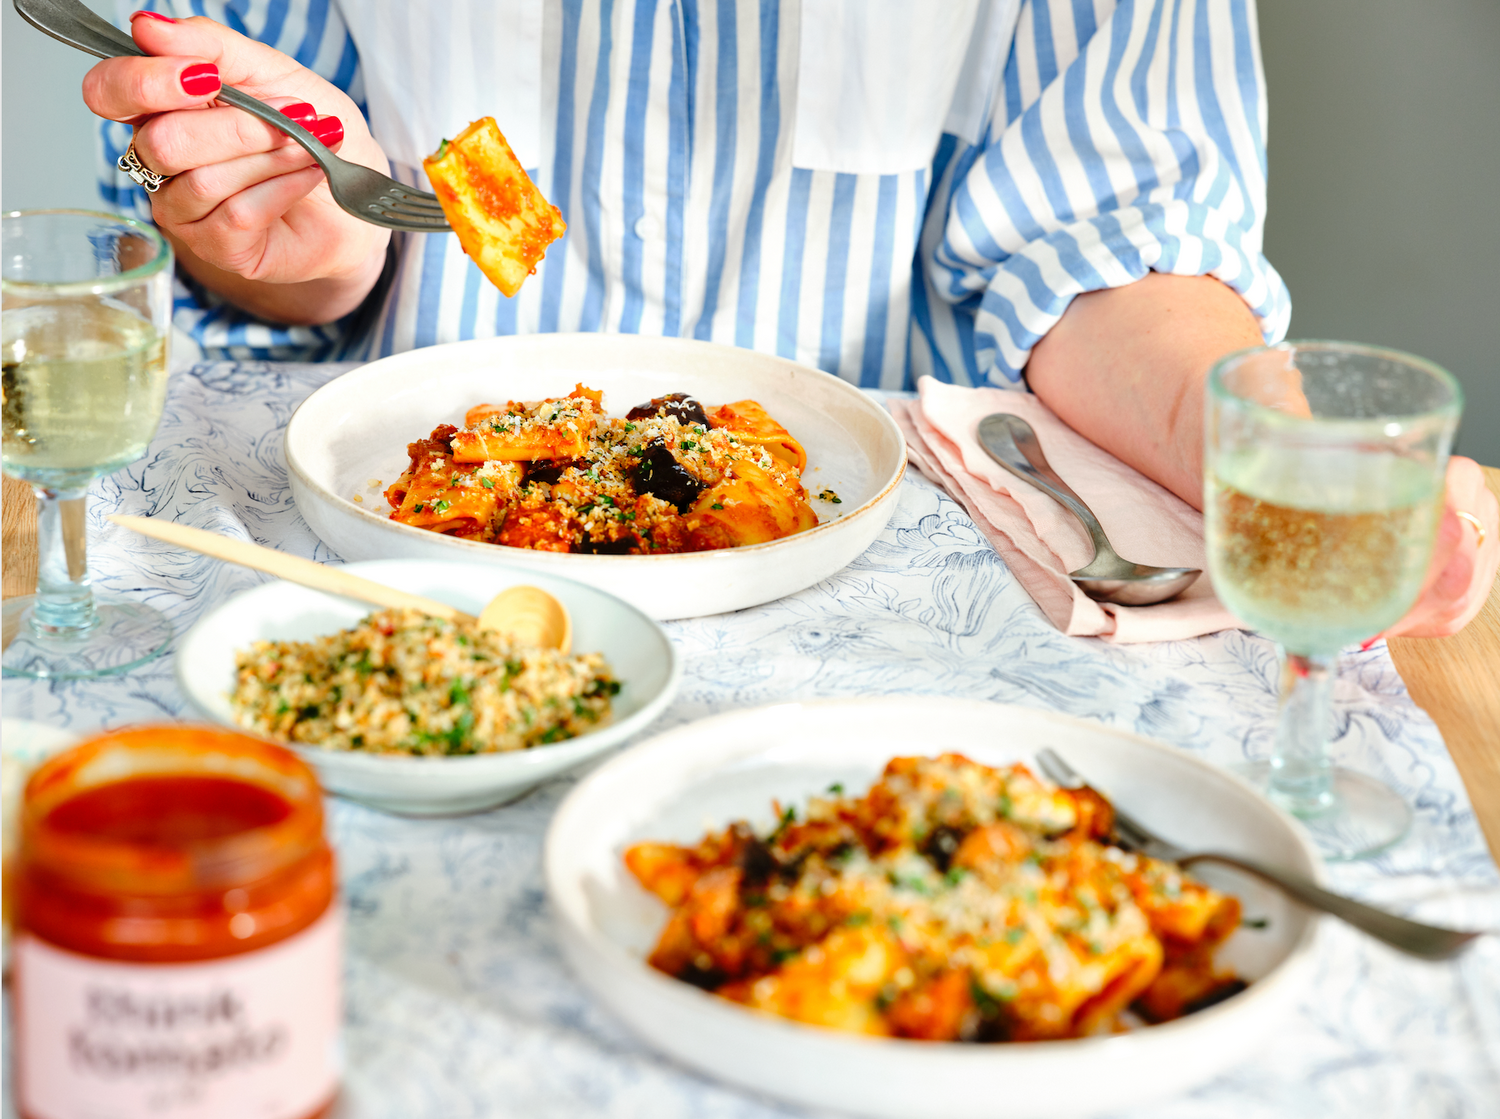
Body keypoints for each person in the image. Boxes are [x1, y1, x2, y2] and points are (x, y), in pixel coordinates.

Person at [83, 0, 1497, 638]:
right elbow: (307, 230)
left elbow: (1114, 246)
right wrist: (294, 236)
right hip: (413, 567)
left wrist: (1278, 467)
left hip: (908, 615)